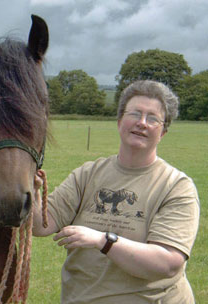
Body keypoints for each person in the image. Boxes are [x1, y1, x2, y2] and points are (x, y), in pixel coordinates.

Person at [32, 80, 200, 303]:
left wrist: (103, 241)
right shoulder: (88, 174)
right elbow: (40, 225)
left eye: (152, 118)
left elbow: (168, 263)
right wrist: (30, 190)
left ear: (163, 132)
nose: (142, 123)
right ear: (120, 121)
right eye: (135, 114)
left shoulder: (176, 186)